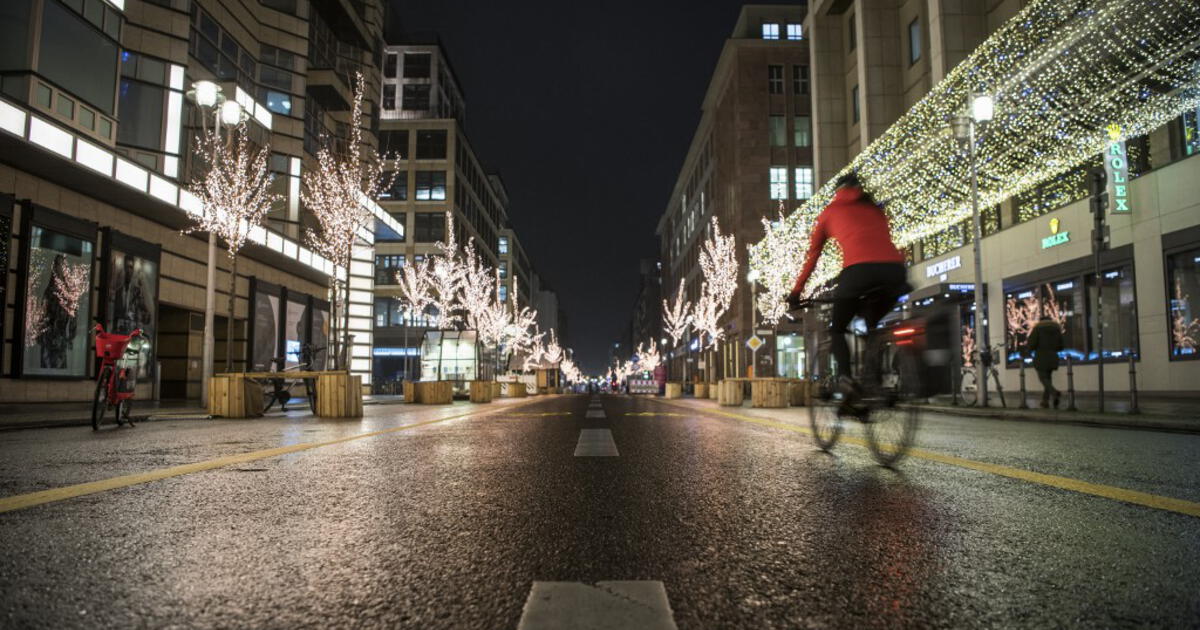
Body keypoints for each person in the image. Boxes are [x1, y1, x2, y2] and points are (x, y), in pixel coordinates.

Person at [786, 172, 909, 391]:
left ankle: (846, 378)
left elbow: (812, 257)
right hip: (895, 272)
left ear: (838, 191)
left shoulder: (830, 212)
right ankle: (874, 382)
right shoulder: (875, 209)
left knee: (838, 328)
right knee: (872, 325)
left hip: (858, 271)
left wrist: (796, 293)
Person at [1026, 315, 1064, 408]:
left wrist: (1029, 350)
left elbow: (1032, 343)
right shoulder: (1056, 329)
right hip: (1053, 356)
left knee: (1043, 378)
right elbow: (1061, 345)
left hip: (1041, 356)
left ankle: (1054, 392)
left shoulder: (1038, 329)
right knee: (1048, 378)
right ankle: (1045, 401)